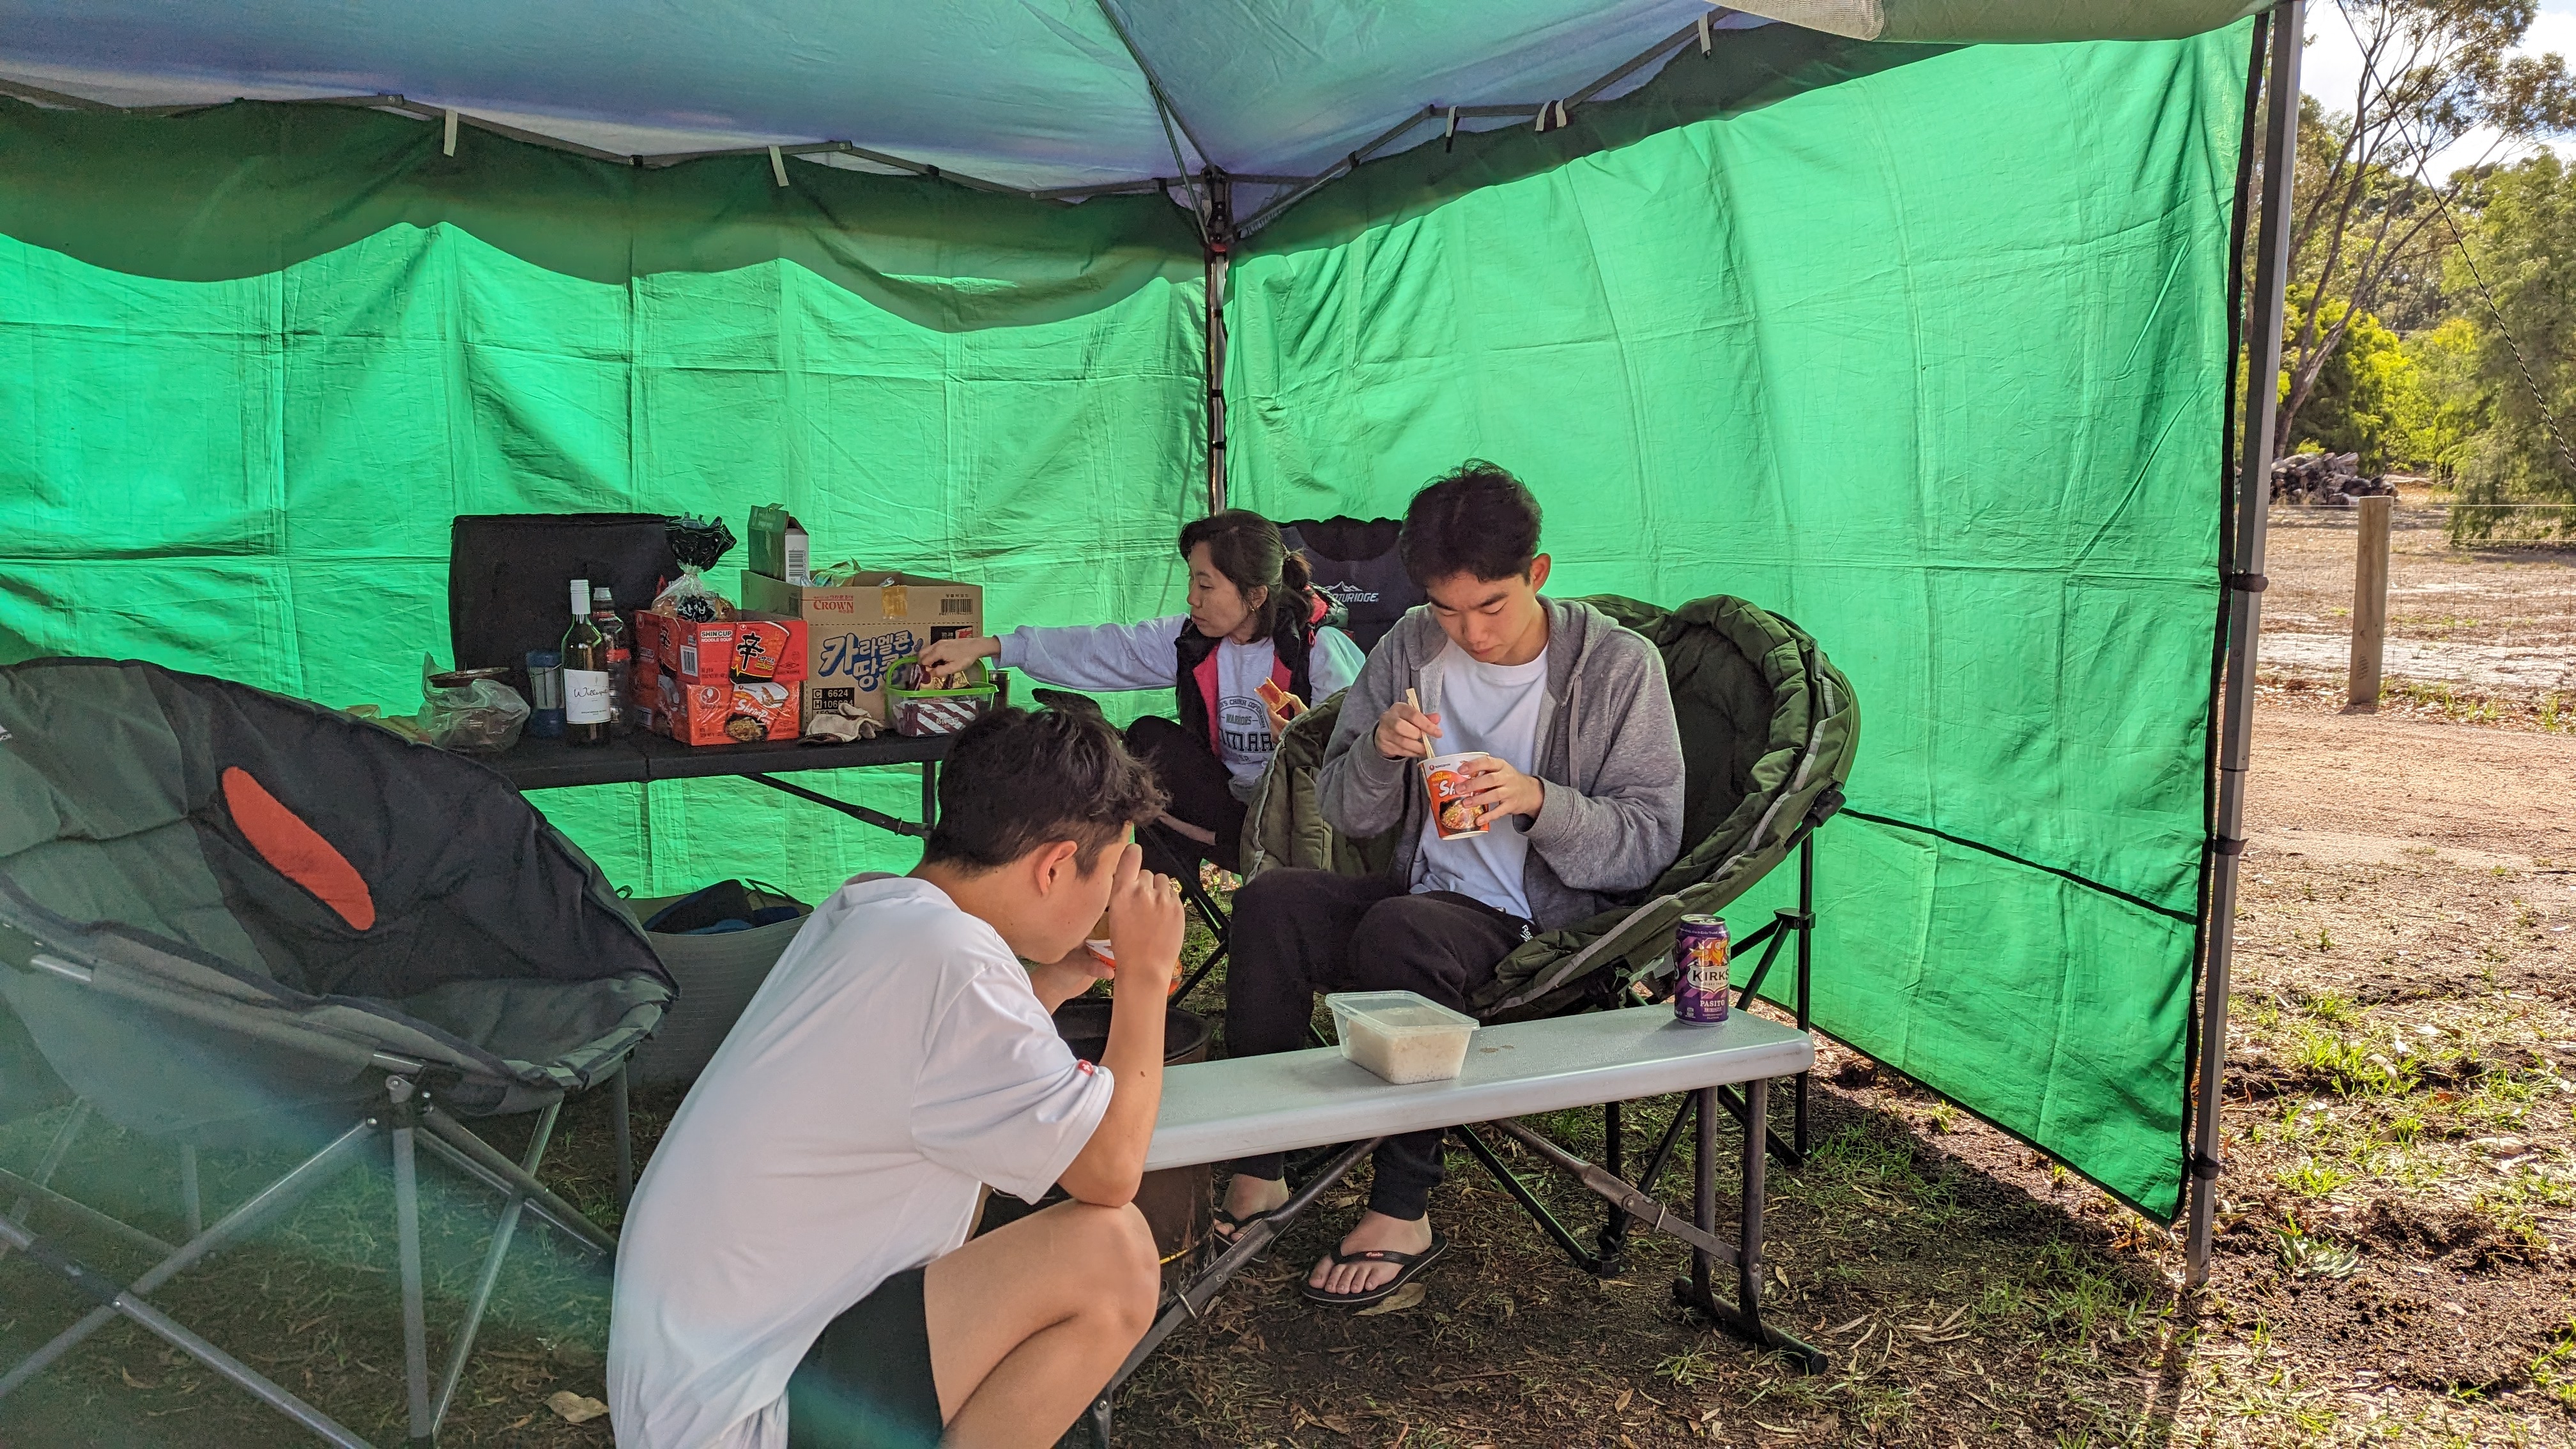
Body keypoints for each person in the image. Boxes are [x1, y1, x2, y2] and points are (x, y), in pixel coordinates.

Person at [606, 707, 1185, 1449]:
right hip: (744, 1420)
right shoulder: (953, 965)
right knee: (1113, 1257)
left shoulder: (876, 913)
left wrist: (1053, 981)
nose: (1112, 901)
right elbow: (1109, 1170)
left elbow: (954, 1081)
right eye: (1109, 876)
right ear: (1053, 867)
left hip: (706, 1391)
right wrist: (1145, 976)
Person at [1215, 461, 1685, 1307]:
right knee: (1270, 903)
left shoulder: (1618, 668)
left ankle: (1404, 1208)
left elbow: (1650, 842)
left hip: (1532, 925)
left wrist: (1538, 799)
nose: (1470, 633)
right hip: (1420, 892)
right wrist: (1377, 752)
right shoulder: (1408, 646)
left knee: (1402, 931)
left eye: (1492, 606)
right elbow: (1345, 810)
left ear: (1538, 574)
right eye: (1446, 609)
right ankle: (1260, 1161)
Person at [918, 510, 1363, 878]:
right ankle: (1150, 905)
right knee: (1149, 737)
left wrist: (1307, 735)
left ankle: (1201, 875)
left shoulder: (1318, 650)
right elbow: (1105, 648)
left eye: (1206, 586)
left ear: (1256, 595)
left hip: (1295, 820)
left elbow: (1361, 753)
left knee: (1162, 788)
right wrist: (994, 647)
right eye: (1191, 581)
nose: (1192, 598)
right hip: (1226, 806)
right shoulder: (1193, 641)